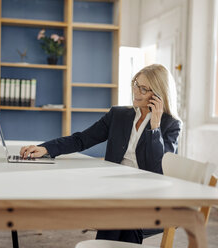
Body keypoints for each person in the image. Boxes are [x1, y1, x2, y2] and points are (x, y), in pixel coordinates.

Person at [20, 64, 182, 244]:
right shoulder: (118, 115)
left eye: (144, 89)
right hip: (115, 189)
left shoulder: (170, 125)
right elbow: (82, 139)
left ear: (159, 95)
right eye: (136, 84)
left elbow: (157, 169)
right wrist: (46, 149)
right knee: (120, 215)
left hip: (147, 194)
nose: (136, 91)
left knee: (121, 215)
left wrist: (155, 127)